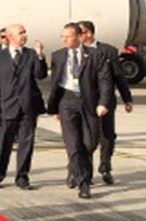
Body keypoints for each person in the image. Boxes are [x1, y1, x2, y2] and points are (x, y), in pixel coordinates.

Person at [46, 22, 113, 199]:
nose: (64, 39)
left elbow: (105, 81)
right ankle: (83, 182)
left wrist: (103, 103)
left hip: (89, 102)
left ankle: (76, 168)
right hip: (66, 101)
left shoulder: (95, 55)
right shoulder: (58, 56)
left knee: (89, 143)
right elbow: (54, 83)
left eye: (67, 36)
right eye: (62, 36)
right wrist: (54, 108)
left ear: (78, 37)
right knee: (73, 145)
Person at [0, 23, 48, 190]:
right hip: (6, 106)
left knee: (26, 144)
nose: (24, 35)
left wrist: (41, 56)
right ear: (10, 36)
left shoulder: (31, 54)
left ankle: (22, 177)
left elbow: (40, 75)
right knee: (3, 143)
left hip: (28, 107)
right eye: (20, 33)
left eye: (24, 32)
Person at [77, 20, 134, 185]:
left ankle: (105, 167)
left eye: (80, 33)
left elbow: (118, 77)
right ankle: (82, 171)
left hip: (106, 101)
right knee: (85, 138)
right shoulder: (75, 52)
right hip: (83, 102)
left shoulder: (108, 51)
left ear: (88, 34)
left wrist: (127, 98)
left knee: (107, 136)